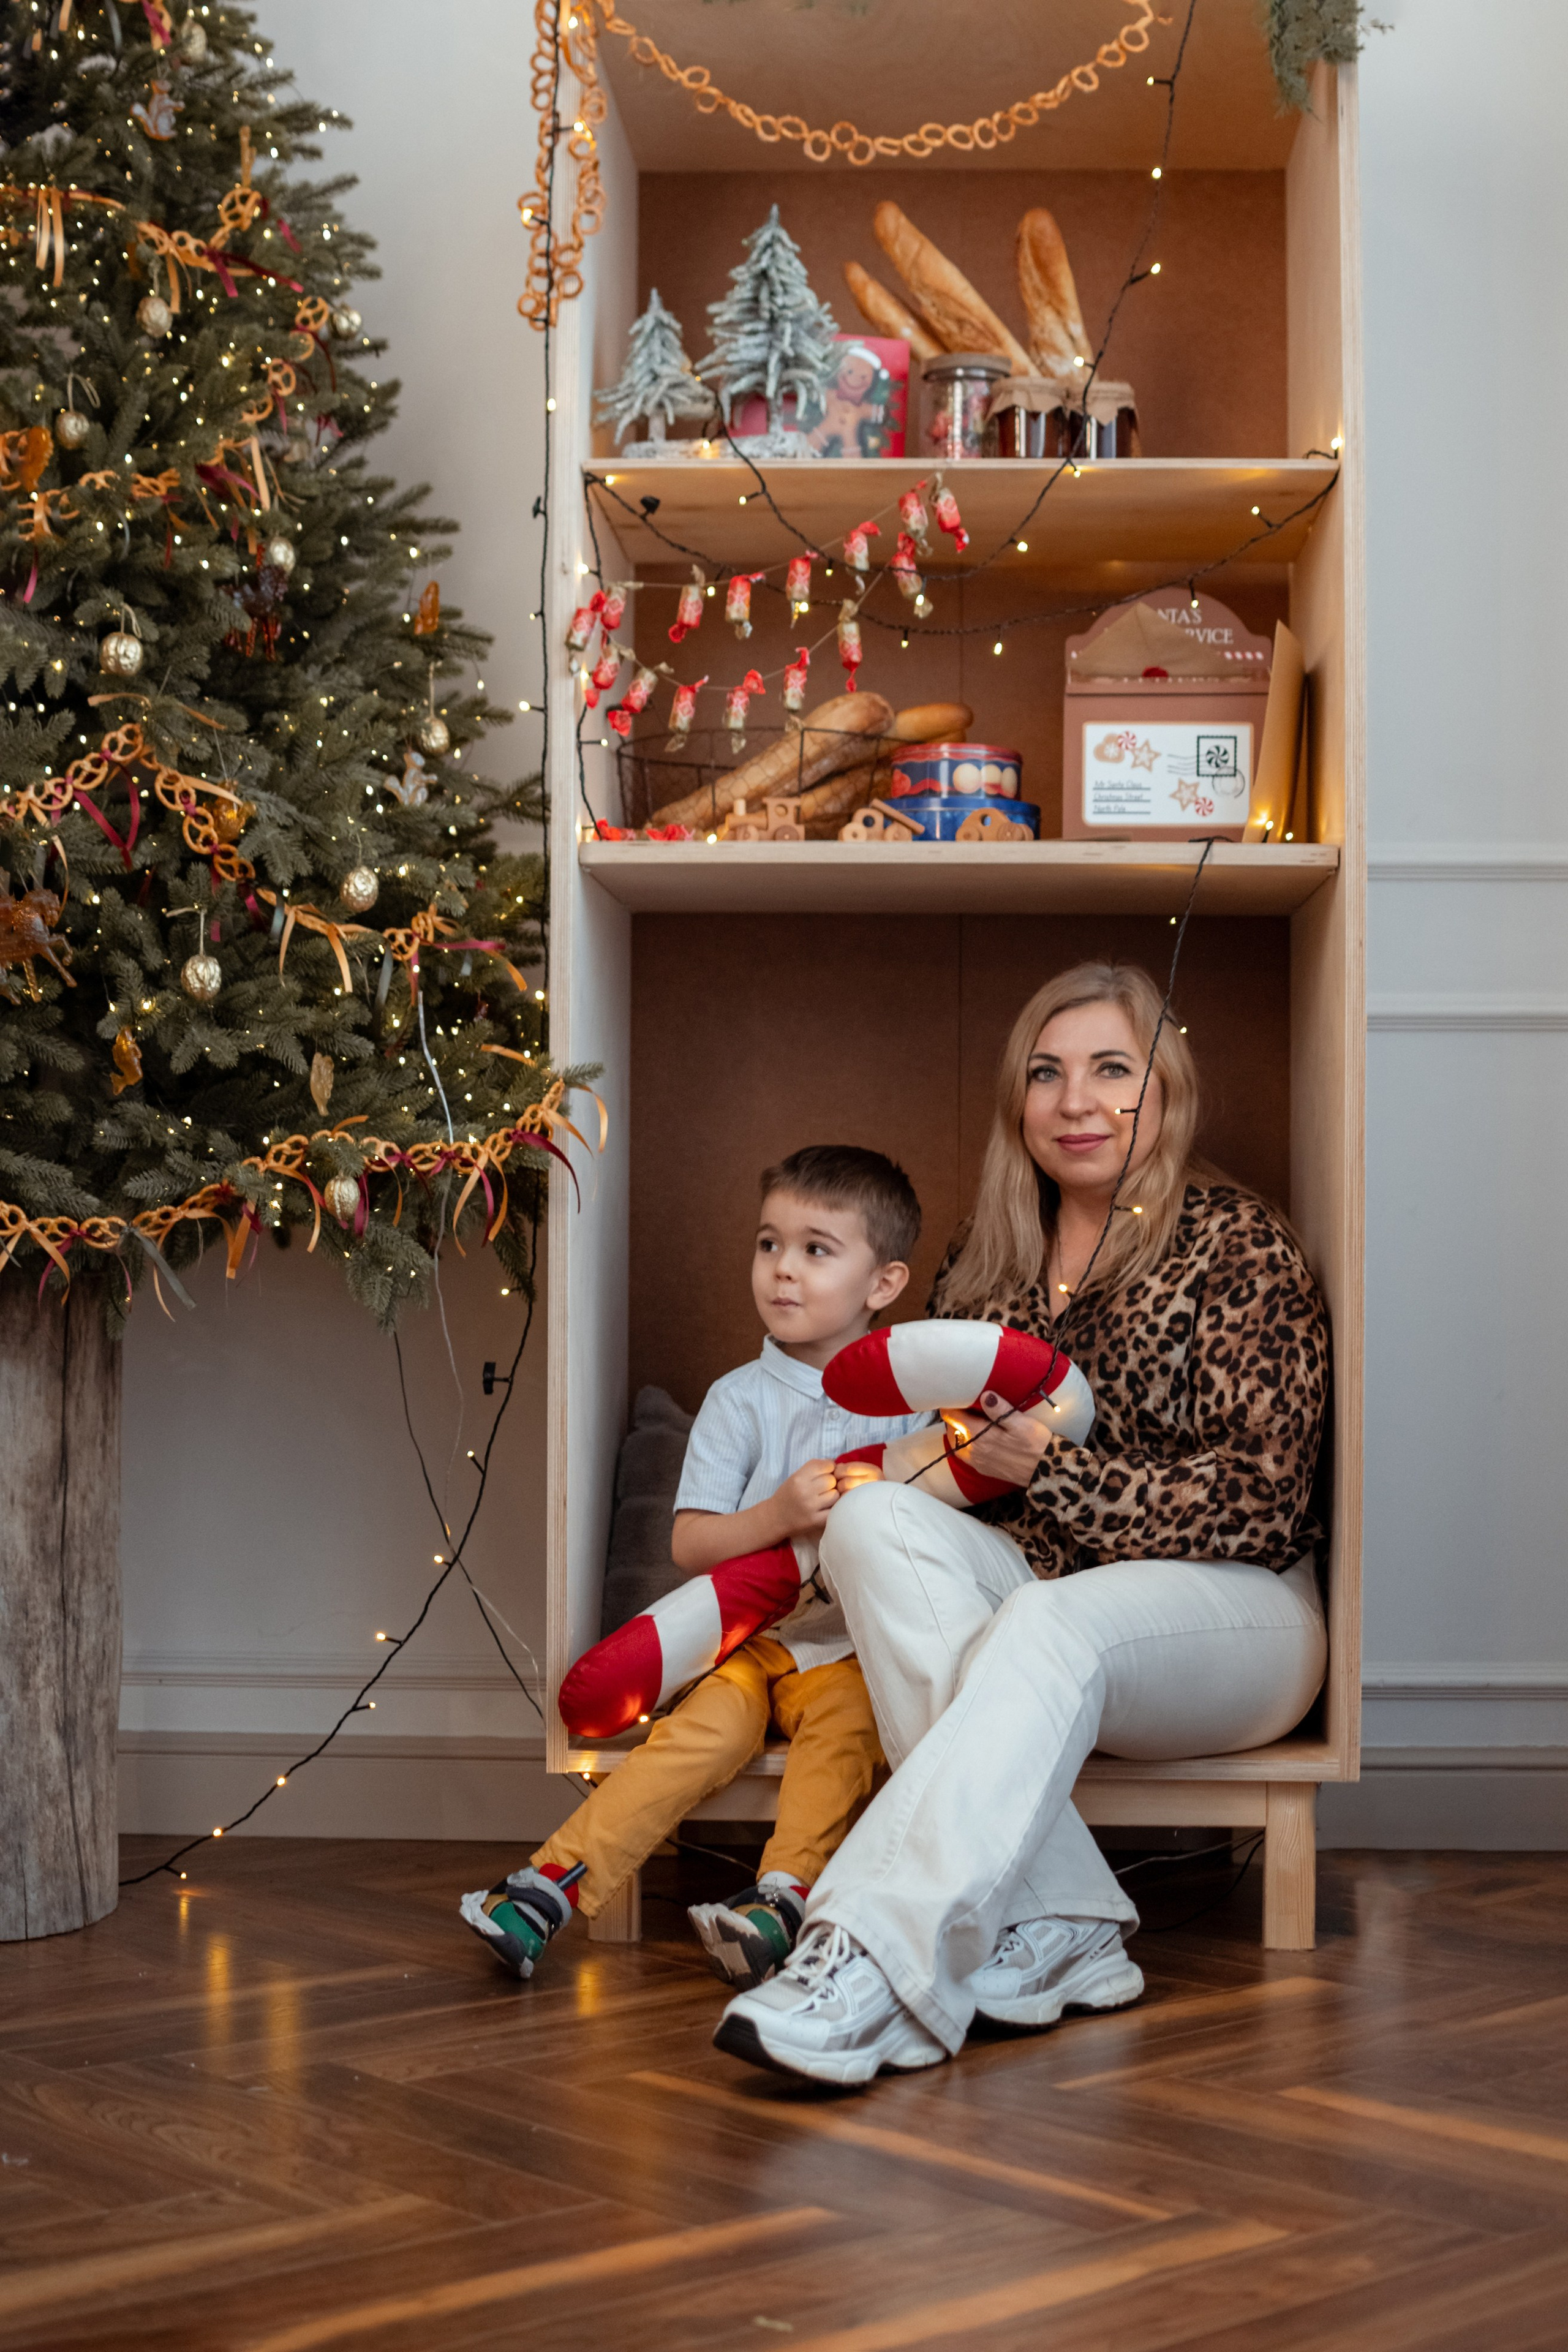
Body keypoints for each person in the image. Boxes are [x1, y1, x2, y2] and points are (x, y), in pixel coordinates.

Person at [715, 963, 1330, 2083]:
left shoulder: (1239, 1245)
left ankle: (864, 1952)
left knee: (1049, 1626)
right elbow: (944, 1460)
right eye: (1046, 1074)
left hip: (1240, 1615)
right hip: (1040, 1599)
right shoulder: (988, 1255)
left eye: (1111, 1070)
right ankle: (1069, 1925)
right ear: (1019, 1102)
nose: (1075, 1102)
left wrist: (1057, 1473)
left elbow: (1264, 1499)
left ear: (1167, 1089)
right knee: (867, 1530)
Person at [461, 1144, 930, 1990]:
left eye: (816, 1250)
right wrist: (779, 1516)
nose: (782, 1271)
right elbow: (691, 1545)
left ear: (883, 1284)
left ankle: (781, 1905)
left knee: (847, 1736)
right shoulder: (740, 1397)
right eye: (768, 1244)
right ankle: (544, 1891)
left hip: (855, 1651)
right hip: (746, 1644)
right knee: (696, 1736)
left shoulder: (916, 1399)